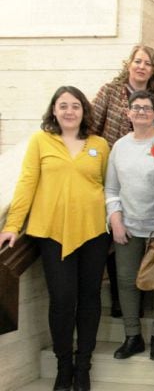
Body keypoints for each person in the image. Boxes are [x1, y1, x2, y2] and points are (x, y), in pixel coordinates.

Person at [0, 86, 111, 391]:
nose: (69, 111)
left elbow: (108, 186)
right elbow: (26, 183)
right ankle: (64, 366)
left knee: (89, 299)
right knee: (62, 300)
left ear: (84, 111)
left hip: (93, 233)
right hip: (51, 233)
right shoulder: (40, 141)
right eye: (63, 106)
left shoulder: (99, 145)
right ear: (54, 110)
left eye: (75, 106)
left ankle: (83, 366)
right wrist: (12, 225)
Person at [105, 90, 154, 361]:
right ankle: (132, 336)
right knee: (126, 282)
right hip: (126, 227)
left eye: (146, 108)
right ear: (127, 113)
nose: (141, 112)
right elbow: (112, 188)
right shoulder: (119, 146)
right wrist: (115, 220)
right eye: (135, 108)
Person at [91, 45, 154, 146]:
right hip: (112, 157)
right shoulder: (110, 92)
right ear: (129, 65)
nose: (141, 67)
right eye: (137, 61)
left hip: (148, 158)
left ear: (153, 70)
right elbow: (91, 127)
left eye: (148, 64)